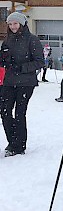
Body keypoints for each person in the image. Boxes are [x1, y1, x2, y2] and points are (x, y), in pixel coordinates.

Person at [0, 12, 44, 157]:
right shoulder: (7, 41)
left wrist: (22, 67)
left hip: (26, 82)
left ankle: (19, 145)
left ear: (22, 24)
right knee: (5, 111)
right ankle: (12, 141)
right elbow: (3, 61)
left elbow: (39, 62)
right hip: (9, 81)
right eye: (10, 24)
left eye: (15, 23)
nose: (13, 27)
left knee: (20, 113)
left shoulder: (32, 40)